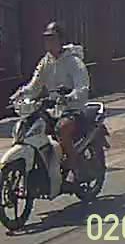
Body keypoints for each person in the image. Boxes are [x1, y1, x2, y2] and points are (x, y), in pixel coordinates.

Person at [13, 22, 91, 176]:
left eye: (52, 38)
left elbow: (82, 87)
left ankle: (75, 165)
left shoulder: (74, 62)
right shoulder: (45, 62)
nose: (49, 42)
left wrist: (68, 97)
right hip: (53, 109)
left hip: (72, 109)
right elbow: (34, 86)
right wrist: (20, 94)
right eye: (46, 38)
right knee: (31, 127)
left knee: (61, 129)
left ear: (61, 39)